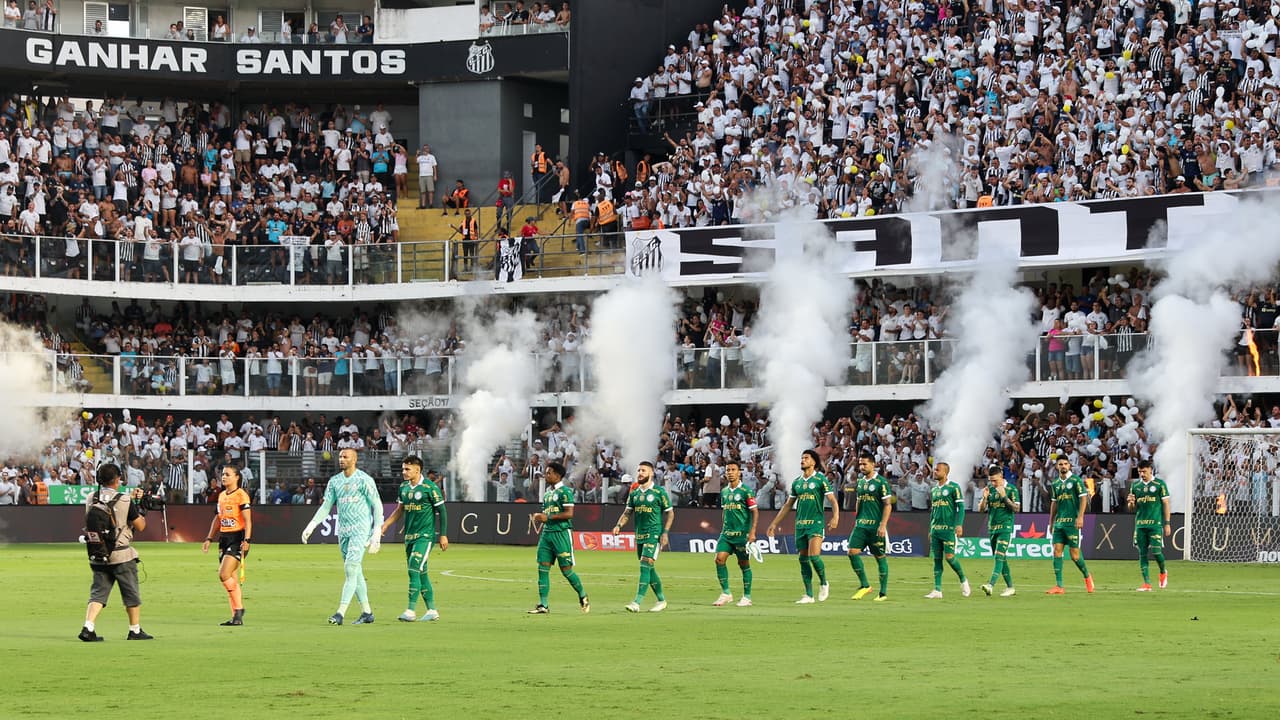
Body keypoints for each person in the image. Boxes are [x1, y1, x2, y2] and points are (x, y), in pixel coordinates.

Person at [301, 448, 384, 624]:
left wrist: (377, 531)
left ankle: (340, 613)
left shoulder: (364, 480)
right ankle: (367, 612)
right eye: (340, 456)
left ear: (354, 460)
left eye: (345, 457)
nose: (341, 459)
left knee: (350, 568)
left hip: (360, 530)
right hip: (343, 531)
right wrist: (312, 524)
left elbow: (377, 505)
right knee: (356, 571)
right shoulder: (335, 481)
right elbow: (326, 506)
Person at [79, 463, 153, 641]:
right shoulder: (125, 499)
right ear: (117, 479)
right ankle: (134, 630)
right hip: (121, 554)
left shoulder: (91, 497)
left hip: (98, 552)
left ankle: (88, 627)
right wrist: (141, 509)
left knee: (98, 593)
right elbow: (140, 526)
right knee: (131, 593)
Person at [380, 455, 448, 621]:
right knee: (422, 573)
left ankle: (410, 611)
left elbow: (443, 512)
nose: (404, 472)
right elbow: (399, 510)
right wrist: (386, 524)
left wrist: (443, 535)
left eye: (407, 469)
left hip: (425, 537)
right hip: (409, 537)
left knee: (413, 568)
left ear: (417, 470)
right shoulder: (404, 487)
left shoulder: (429, 487)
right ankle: (432, 610)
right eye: (403, 469)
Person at [766, 449, 839, 604]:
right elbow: (787, 505)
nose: (803, 460)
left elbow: (832, 500)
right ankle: (809, 595)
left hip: (816, 524)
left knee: (814, 556)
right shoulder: (797, 482)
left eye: (806, 458)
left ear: (814, 462)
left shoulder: (820, 479)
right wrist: (774, 523)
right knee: (803, 559)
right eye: (802, 458)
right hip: (800, 525)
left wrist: (835, 516)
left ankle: (824, 582)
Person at [612, 461, 674, 612]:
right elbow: (627, 513)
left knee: (644, 566)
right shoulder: (634, 494)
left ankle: (637, 602)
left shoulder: (659, 492)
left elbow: (670, 513)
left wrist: (665, 533)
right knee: (649, 569)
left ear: (651, 474)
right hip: (640, 535)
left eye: (644, 471)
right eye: (639, 470)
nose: (640, 473)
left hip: (654, 535)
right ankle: (661, 600)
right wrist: (619, 525)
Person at [529, 462, 589, 614]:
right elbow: (547, 515)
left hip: (561, 534)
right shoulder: (548, 494)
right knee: (542, 568)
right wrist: (540, 518)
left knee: (566, 570)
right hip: (547, 535)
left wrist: (546, 517)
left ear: (557, 475)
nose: (546, 475)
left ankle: (583, 595)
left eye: (548, 473)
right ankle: (543, 605)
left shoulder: (565, 492)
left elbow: (569, 514)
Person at [200, 465, 252, 625]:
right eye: (222, 474)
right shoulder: (222, 496)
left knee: (223, 574)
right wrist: (209, 538)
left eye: (227, 475)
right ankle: (236, 615)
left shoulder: (241, 495)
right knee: (231, 578)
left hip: (237, 539)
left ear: (237, 477)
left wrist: (247, 540)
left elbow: (248, 520)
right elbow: (218, 518)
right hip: (224, 538)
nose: (224, 477)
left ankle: (238, 610)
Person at [846, 452, 893, 601]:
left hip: (875, 527)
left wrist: (883, 525)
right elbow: (859, 501)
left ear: (873, 464)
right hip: (860, 525)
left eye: (865, 463)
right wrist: (857, 517)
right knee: (852, 552)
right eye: (860, 464)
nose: (862, 466)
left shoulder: (881, 482)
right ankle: (865, 585)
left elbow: (887, 505)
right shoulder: (861, 482)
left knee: (879, 557)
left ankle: (883, 593)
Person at [712, 459, 757, 607]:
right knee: (719, 559)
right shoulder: (724, 491)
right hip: (726, 534)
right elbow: (725, 511)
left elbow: (755, 512)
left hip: (741, 535)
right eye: (728, 470)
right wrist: (723, 526)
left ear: (739, 472)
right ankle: (726, 594)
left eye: (733, 470)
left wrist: (752, 533)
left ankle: (747, 597)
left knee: (743, 563)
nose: (730, 473)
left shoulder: (746, 491)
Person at [1047, 457, 1094, 594]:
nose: (1063, 466)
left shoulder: (1075, 481)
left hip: (1072, 523)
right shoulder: (1055, 483)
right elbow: (1054, 503)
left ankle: (1087, 576)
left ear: (1070, 465)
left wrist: (1080, 517)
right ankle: (1059, 586)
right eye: (1060, 464)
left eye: (1065, 464)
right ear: (1057, 466)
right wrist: (1051, 521)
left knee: (1075, 556)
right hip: (1059, 523)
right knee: (1057, 551)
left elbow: (1083, 497)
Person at [924, 462, 969, 599]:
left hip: (948, 530)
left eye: (937, 470)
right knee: (937, 559)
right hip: (936, 530)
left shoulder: (953, 487)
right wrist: (930, 528)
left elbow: (960, 508)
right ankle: (937, 590)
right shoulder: (934, 490)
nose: (934, 472)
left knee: (949, 558)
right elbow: (933, 511)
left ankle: (963, 580)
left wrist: (959, 524)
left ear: (945, 472)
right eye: (934, 470)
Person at [1126, 460, 1170, 591]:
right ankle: (1147, 583)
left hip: (1155, 524)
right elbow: (1131, 508)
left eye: (1144, 471)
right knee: (1142, 553)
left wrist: (1167, 523)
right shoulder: (1135, 486)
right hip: (1140, 525)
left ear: (1150, 470)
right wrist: (1130, 503)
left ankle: (1163, 572)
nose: (1142, 474)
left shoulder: (1159, 484)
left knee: (1156, 552)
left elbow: (1166, 504)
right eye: (1140, 472)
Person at [978, 465, 1019, 597]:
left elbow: (1016, 508)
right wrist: (984, 498)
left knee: (999, 556)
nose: (993, 483)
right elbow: (981, 509)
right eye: (991, 480)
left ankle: (990, 585)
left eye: (995, 480)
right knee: (1002, 559)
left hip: (1005, 527)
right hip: (992, 528)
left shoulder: (1011, 489)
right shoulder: (989, 489)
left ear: (1001, 476)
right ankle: (1010, 587)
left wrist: (1004, 497)